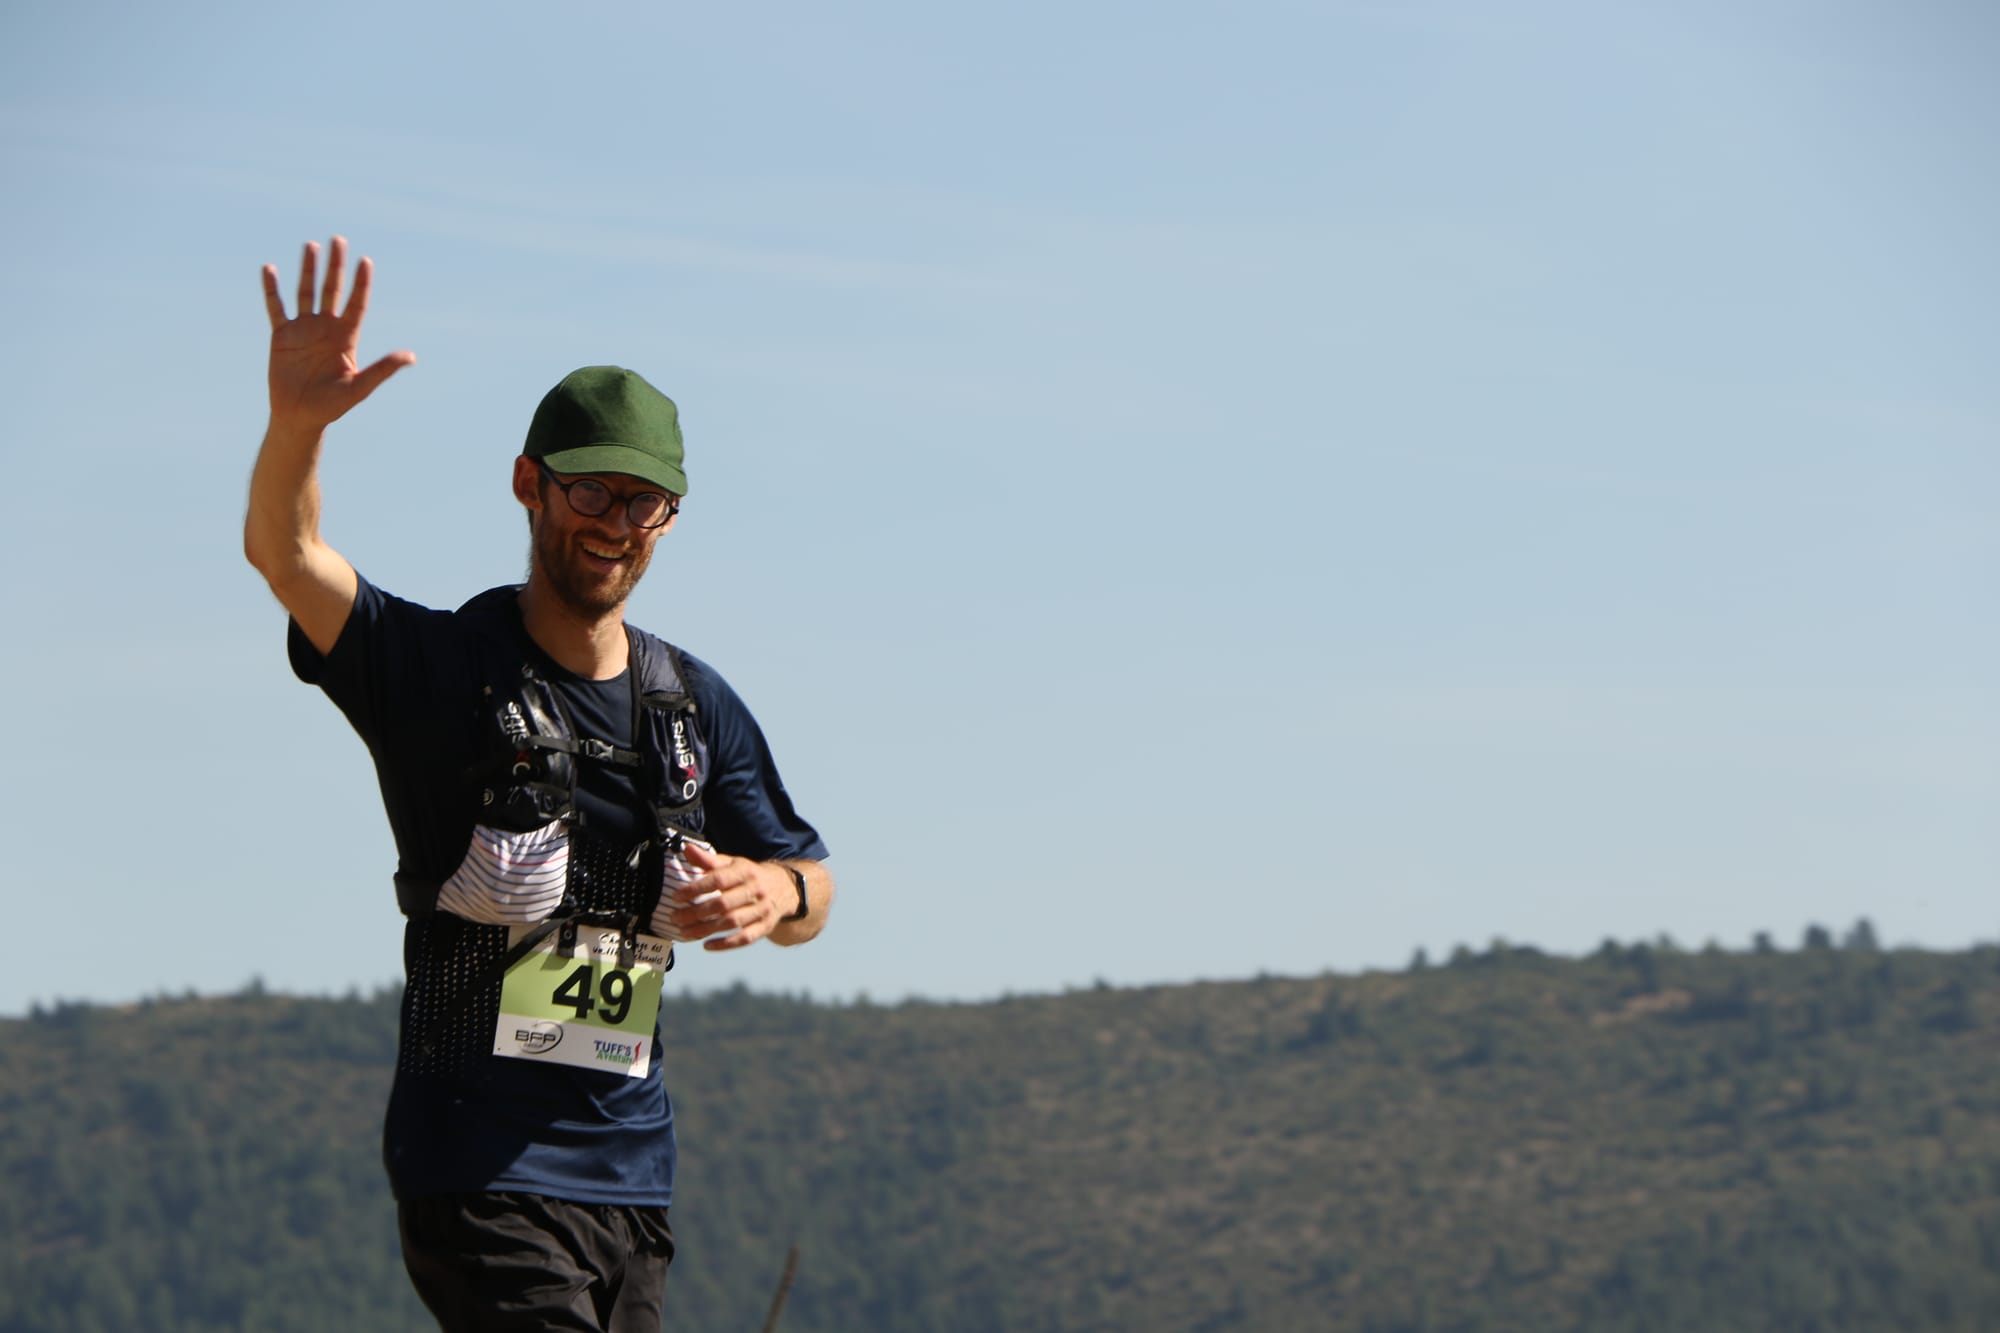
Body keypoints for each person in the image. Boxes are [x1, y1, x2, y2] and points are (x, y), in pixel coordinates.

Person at [244, 236, 834, 1332]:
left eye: (645, 503)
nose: (615, 524)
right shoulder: (439, 673)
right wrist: (299, 426)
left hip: (631, 1186)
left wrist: (774, 893)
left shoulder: (691, 707)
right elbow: (288, 557)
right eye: (592, 493)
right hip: (476, 1172)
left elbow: (813, 880)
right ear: (529, 485)